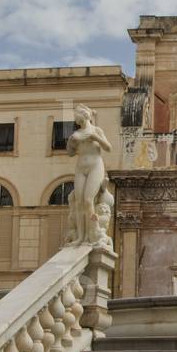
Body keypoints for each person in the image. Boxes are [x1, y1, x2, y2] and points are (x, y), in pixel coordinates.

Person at [66, 104, 112, 246]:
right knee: (79, 202)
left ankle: (93, 232)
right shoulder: (76, 134)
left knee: (88, 200)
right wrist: (70, 142)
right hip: (81, 167)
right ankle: (80, 237)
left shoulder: (96, 130)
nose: (74, 118)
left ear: (84, 115)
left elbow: (108, 147)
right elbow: (70, 153)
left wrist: (94, 137)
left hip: (95, 166)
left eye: (76, 115)